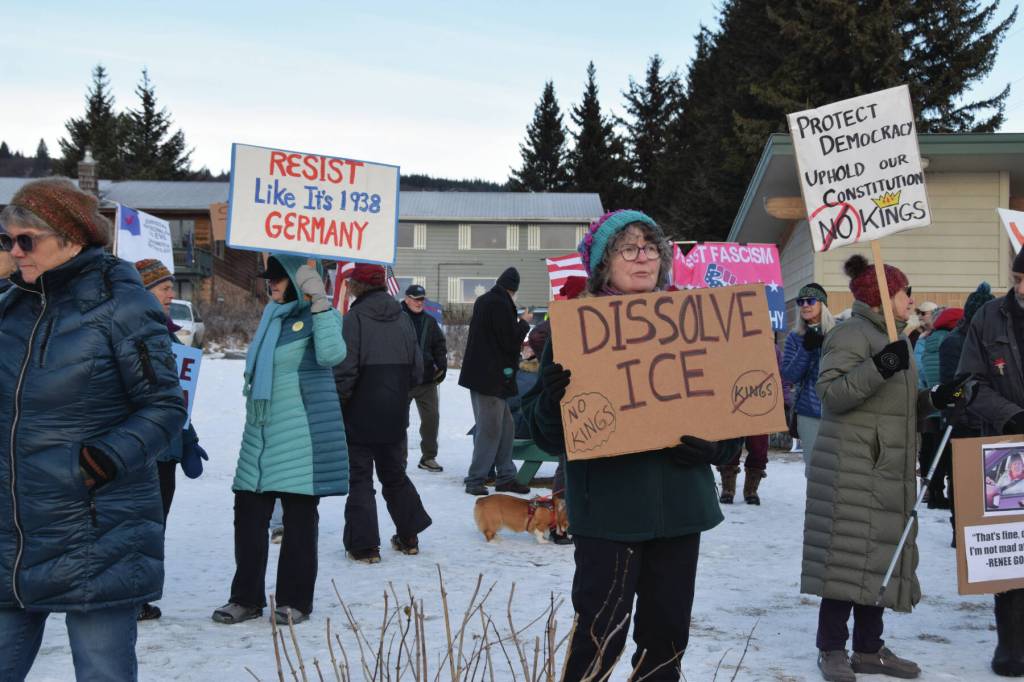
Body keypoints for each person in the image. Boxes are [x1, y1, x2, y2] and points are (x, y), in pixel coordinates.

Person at [523, 209, 738, 681]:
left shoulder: (696, 322)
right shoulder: (577, 329)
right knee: (599, 638)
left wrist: (715, 449)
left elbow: (734, 422)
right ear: (604, 263)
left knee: (665, 642)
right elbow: (545, 436)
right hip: (610, 514)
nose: (643, 257)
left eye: (651, 247)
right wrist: (552, 402)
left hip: (680, 512)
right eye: (629, 247)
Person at [0, 178, 186, 681]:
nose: (14, 252)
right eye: (7, 240)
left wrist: (97, 462)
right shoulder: (10, 304)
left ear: (71, 237)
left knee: (102, 671)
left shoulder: (122, 304)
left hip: (95, 530)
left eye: (26, 241)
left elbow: (164, 405)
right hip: (14, 530)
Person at [803, 254, 965, 682]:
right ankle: (832, 647)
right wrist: (881, 366)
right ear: (882, 295)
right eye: (904, 291)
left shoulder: (896, 339)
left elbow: (902, 405)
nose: (911, 298)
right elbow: (832, 394)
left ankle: (869, 647)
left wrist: (937, 398)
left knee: (880, 558)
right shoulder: (852, 335)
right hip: (852, 468)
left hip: (887, 467)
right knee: (845, 557)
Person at [212, 254, 347, 626]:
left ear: (299, 282)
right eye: (268, 278)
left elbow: (334, 354)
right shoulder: (272, 317)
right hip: (261, 435)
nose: (270, 284)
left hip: (301, 437)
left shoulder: (321, 318)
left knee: (300, 524)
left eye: (278, 278)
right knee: (249, 518)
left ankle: (294, 601)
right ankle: (245, 599)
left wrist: (321, 302)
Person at [335, 264, 432, 563]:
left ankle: (364, 547)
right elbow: (418, 370)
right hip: (394, 412)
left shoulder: (354, 320)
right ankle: (409, 535)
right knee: (394, 474)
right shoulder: (403, 319)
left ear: (357, 287)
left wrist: (341, 402)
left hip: (360, 413)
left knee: (360, 479)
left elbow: (345, 370)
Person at [958, 255, 1024, 676]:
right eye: (1017, 279)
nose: (1020, 288)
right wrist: (1009, 414)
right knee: (1010, 552)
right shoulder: (989, 317)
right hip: (1006, 447)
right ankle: (1012, 645)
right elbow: (968, 382)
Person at [133, 259, 209, 622]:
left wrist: (188, 437)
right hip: (143, 451)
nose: (171, 293)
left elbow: (177, 397)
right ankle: (131, 598)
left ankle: (139, 594)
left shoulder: (163, 331)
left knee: (155, 523)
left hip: (166, 448)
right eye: (163, 287)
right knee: (142, 526)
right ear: (143, 290)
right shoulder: (136, 332)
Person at [459, 266, 532, 496]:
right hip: (490, 378)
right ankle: (476, 480)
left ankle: (506, 476)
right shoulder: (500, 305)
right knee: (490, 430)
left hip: (484, 376)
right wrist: (524, 322)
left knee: (506, 428)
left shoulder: (486, 301)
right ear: (513, 289)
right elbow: (509, 341)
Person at [939, 282, 995, 545]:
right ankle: (959, 532)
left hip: (990, 421)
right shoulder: (953, 343)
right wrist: (969, 394)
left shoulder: (994, 339)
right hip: (962, 422)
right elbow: (952, 387)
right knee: (961, 481)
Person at [781, 283, 836, 475]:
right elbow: (788, 375)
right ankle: (815, 506)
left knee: (838, 467)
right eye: (800, 301)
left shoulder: (838, 332)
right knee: (814, 468)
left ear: (822, 304)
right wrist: (806, 348)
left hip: (838, 409)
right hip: (808, 411)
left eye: (810, 300)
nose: (805, 305)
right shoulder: (795, 337)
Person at [918, 306, 964, 509]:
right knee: (944, 452)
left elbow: (923, 372)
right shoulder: (950, 342)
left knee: (933, 449)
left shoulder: (928, 342)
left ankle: (932, 490)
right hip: (947, 402)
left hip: (929, 402)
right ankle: (938, 492)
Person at [401, 284, 448, 472]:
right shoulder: (395, 318)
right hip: (401, 380)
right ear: (406, 299)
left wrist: (441, 365)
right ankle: (398, 460)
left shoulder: (430, 321)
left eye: (421, 299)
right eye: (415, 298)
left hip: (426, 381)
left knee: (431, 419)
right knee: (398, 421)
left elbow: (439, 345)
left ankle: (428, 457)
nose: (419, 302)